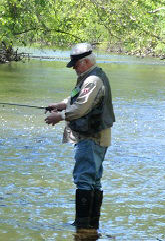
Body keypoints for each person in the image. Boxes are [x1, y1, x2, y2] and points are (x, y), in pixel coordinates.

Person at [43, 42, 114, 237]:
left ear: (85, 62)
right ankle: (91, 228)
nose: (73, 67)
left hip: (91, 137)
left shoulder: (92, 80)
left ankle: (83, 228)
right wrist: (60, 104)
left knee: (84, 180)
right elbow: (75, 98)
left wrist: (60, 116)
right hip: (96, 136)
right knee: (93, 181)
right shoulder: (89, 77)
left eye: (75, 64)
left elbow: (81, 107)